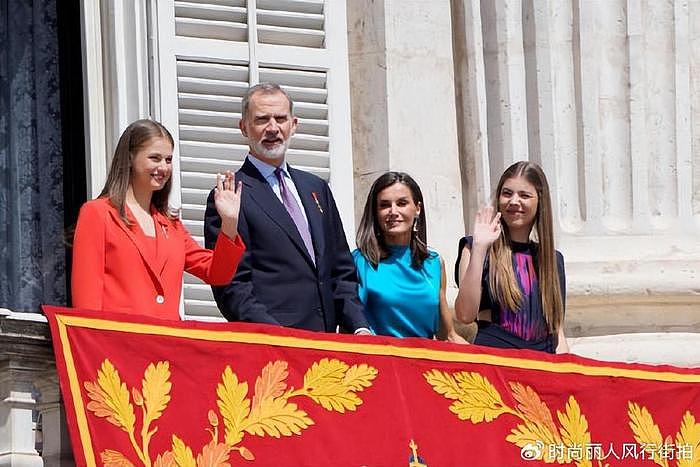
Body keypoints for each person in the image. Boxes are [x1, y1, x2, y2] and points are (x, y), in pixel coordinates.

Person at [204, 83, 370, 334]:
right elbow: (232, 286)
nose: (273, 128)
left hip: (327, 344)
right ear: (243, 127)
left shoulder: (316, 188)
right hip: (274, 348)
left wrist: (359, 327)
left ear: (294, 124)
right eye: (262, 120)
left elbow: (341, 270)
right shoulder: (230, 194)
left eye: (280, 119)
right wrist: (277, 335)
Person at [72, 119, 245, 320]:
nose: (163, 167)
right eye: (155, 158)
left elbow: (218, 273)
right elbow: (86, 306)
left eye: (168, 160)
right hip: (118, 345)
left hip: (166, 346)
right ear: (130, 158)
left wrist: (230, 222)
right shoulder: (98, 213)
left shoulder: (171, 225)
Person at [454, 161, 569, 353]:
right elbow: (465, 314)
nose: (514, 201)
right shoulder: (474, 247)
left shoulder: (553, 260)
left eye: (524, 195)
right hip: (496, 360)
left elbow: (558, 332)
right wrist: (480, 249)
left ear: (539, 201)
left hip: (541, 362)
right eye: (507, 193)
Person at [353, 172, 468, 342]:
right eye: (384, 205)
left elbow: (447, 334)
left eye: (402, 203)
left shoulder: (435, 262)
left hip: (424, 361)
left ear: (417, 209)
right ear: (375, 213)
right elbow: (350, 326)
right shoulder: (360, 261)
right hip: (379, 360)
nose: (393, 211)